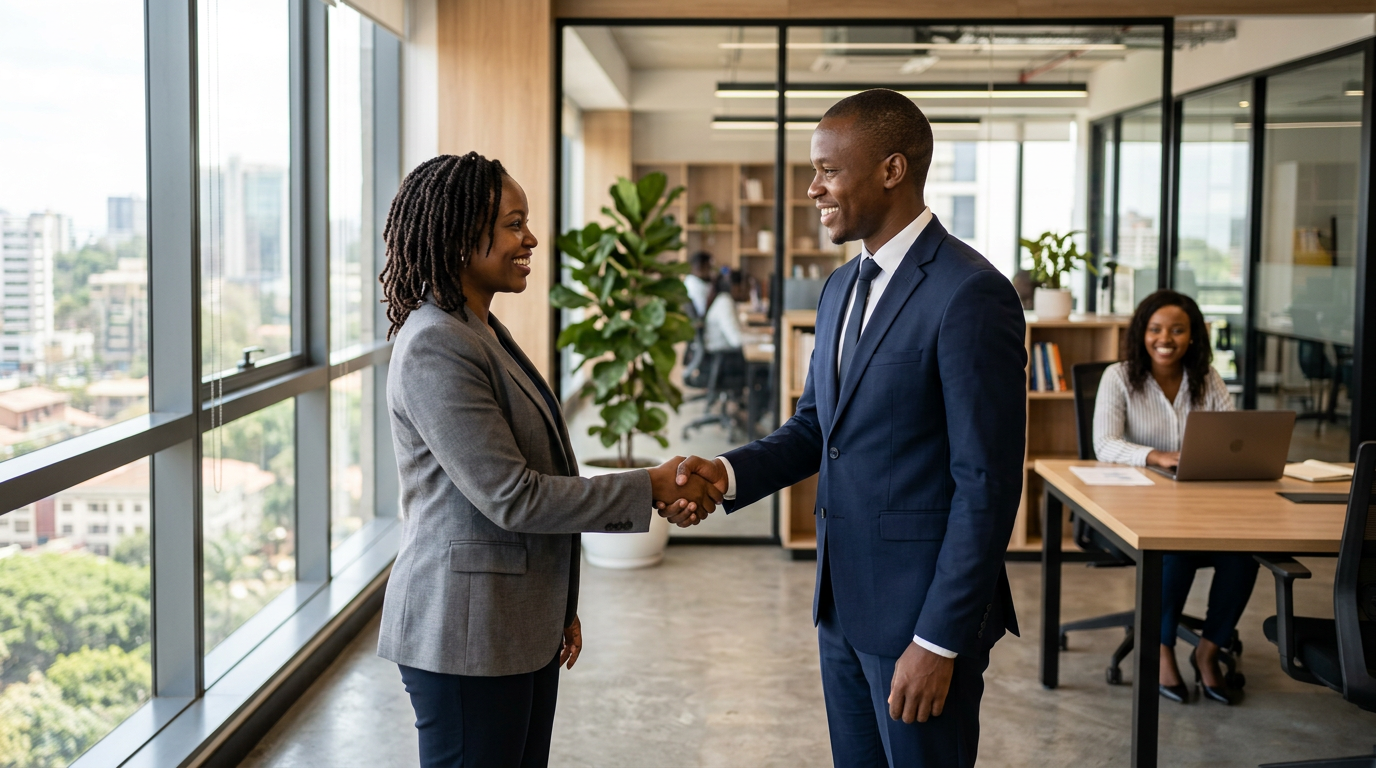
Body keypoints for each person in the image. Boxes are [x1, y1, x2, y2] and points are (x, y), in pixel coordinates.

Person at [672, 90, 1027, 768]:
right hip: (841, 606)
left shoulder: (970, 292)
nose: (812, 189)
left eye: (827, 170)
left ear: (892, 170)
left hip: (920, 620)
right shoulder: (840, 288)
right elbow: (817, 427)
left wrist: (939, 640)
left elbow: (986, 484)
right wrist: (726, 473)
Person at [375, 152, 721, 768]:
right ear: (459, 236)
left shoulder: (479, 329)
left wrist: (557, 608)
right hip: (465, 634)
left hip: (513, 622)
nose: (531, 239)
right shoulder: (436, 344)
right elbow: (515, 496)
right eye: (514, 224)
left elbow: (543, 475)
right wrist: (650, 484)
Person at [1093, 289, 1256, 706]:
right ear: (1141, 333)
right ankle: (1161, 649)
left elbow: (1231, 437)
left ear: (1193, 335)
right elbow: (1104, 444)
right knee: (1175, 550)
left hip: (1201, 504)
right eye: (1156, 329)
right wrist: (1156, 456)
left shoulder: (1207, 378)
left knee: (1245, 554)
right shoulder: (1118, 377)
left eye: (1178, 330)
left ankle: (1208, 651)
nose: (1165, 339)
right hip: (1136, 508)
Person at [684, 250, 714, 317]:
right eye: (709, 267)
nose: (710, 271)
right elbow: (702, 311)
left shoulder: (700, 282)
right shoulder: (693, 283)